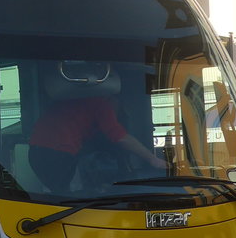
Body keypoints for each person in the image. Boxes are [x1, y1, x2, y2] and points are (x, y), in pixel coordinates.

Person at [28, 61, 165, 195]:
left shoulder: (72, 100)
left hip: (35, 153)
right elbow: (118, 136)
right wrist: (153, 159)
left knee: (57, 194)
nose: (117, 114)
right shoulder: (101, 103)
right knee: (65, 199)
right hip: (58, 155)